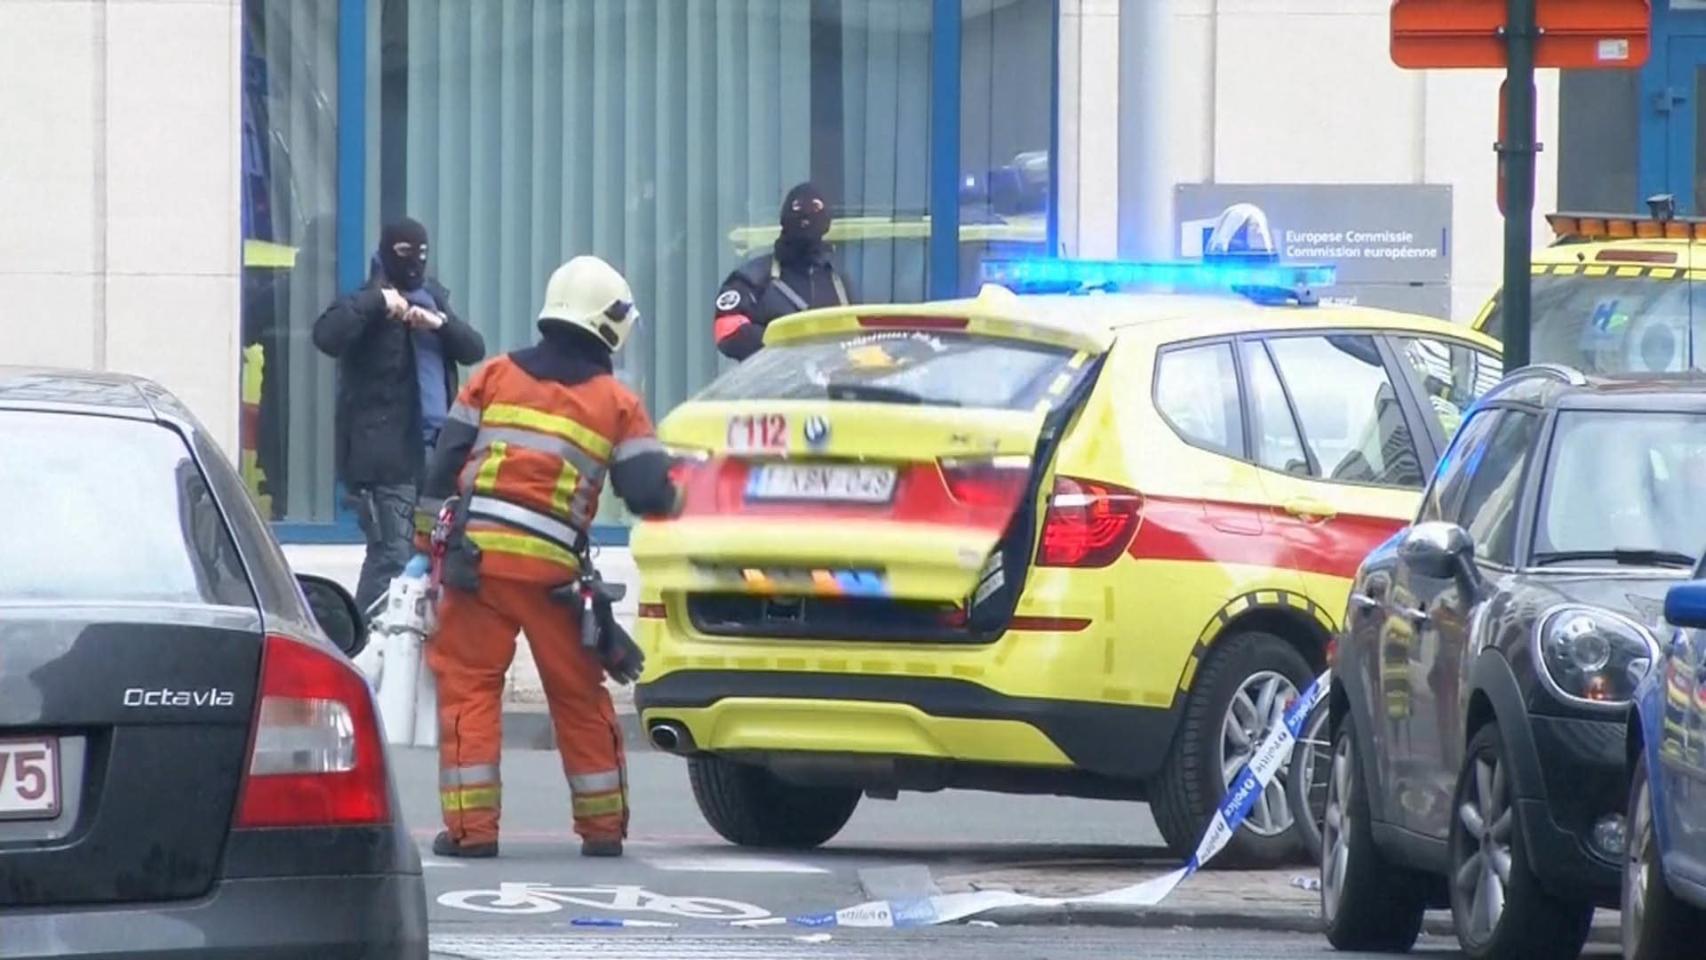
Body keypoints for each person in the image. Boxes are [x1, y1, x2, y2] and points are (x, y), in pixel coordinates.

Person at [417, 256, 680, 860]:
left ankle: (471, 832)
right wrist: (681, 487)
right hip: (554, 578)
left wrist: (424, 549)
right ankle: (603, 830)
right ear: (609, 324)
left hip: (475, 567)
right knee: (579, 696)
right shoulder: (619, 403)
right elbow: (647, 495)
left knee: (469, 691)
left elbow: (443, 462)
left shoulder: (492, 375)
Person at [313, 217, 486, 613]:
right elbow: (326, 335)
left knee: (432, 556)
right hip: (386, 460)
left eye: (421, 254)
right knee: (390, 557)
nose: (415, 263)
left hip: (438, 456)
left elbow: (473, 348)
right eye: (405, 254)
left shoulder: (434, 299)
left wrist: (437, 324)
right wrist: (380, 302)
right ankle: (358, 649)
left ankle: (403, 651)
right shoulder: (367, 302)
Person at [712, 182, 854, 361]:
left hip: (827, 386)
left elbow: (857, 341)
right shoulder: (752, 279)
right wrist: (785, 350)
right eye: (798, 208)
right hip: (772, 386)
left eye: (815, 208)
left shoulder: (836, 282)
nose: (806, 217)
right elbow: (727, 330)